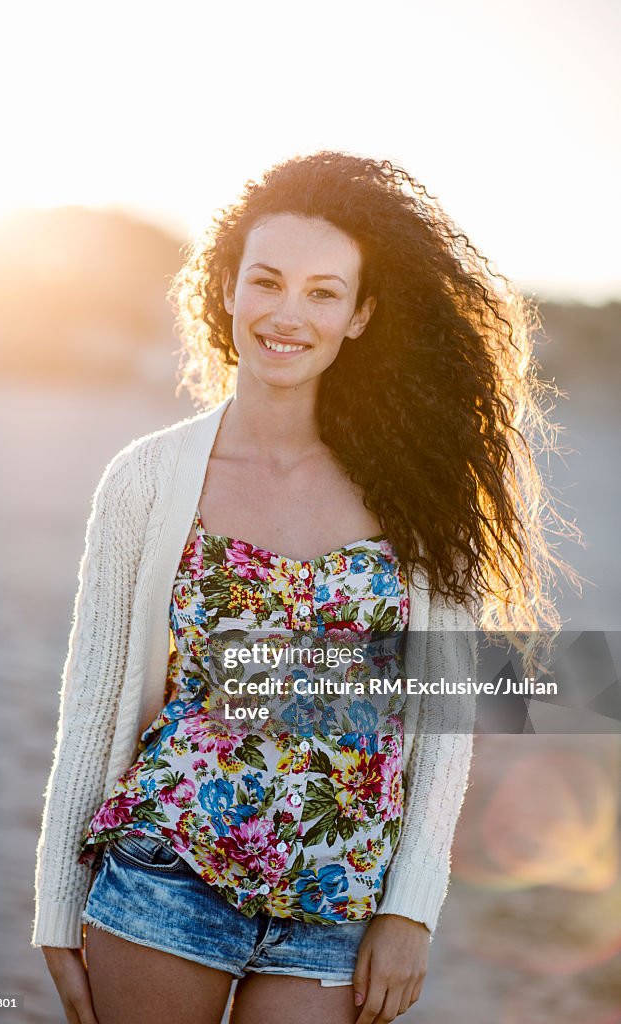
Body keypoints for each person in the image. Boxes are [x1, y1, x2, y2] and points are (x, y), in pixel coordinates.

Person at [32, 151, 575, 1024]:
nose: (289, 315)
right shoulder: (144, 481)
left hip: (341, 904)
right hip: (167, 868)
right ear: (228, 291)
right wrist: (56, 902)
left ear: (360, 316)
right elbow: (92, 700)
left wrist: (411, 909)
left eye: (324, 292)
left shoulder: (423, 493)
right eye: (267, 282)